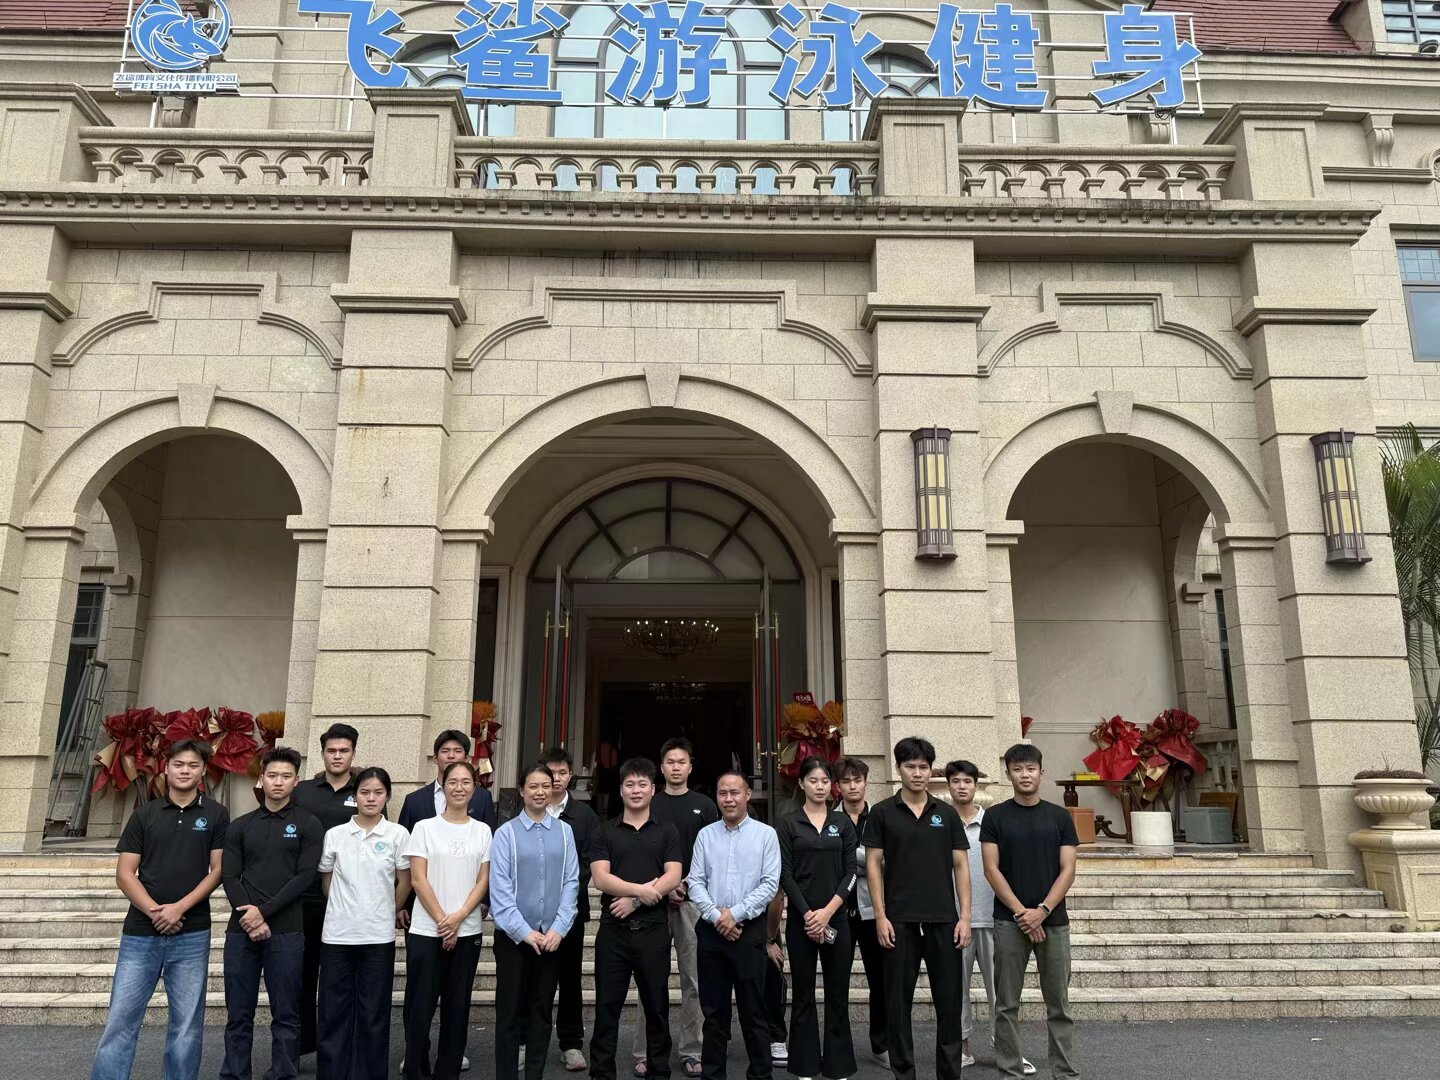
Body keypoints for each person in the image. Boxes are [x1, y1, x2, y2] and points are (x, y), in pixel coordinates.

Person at [89, 739, 229, 1080]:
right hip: (141, 933)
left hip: (192, 931)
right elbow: (125, 874)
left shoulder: (216, 814)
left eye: (193, 765)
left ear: (203, 771)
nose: (185, 771)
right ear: (166, 768)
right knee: (121, 1020)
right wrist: (155, 912)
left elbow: (218, 871)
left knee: (186, 1026)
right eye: (178, 764)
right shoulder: (144, 814)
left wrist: (179, 909)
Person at [863, 736, 971, 1080]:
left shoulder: (947, 813)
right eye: (910, 766)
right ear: (898, 769)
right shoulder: (882, 812)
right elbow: (873, 865)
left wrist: (965, 917)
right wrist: (880, 916)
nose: (918, 773)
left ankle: (949, 1074)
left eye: (924, 767)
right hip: (899, 922)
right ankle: (904, 1074)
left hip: (944, 921)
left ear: (931, 770)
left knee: (949, 1006)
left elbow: (961, 866)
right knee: (897, 1006)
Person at [220, 746, 323, 1080]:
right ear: (261, 779)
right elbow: (229, 876)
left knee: (287, 1012)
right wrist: (249, 917)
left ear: (296, 781)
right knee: (239, 1013)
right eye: (272, 775)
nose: (279, 782)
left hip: (287, 930)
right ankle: (235, 1074)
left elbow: (305, 877)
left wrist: (262, 913)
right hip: (241, 931)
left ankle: (283, 1073)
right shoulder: (240, 826)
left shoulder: (308, 824)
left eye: (286, 776)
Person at [397, 729, 497, 1076]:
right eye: (452, 781)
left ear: (474, 787)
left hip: (467, 930)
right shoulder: (424, 827)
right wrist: (443, 920)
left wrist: (459, 918)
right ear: (443, 782)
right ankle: (416, 1069)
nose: (458, 787)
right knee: (420, 1006)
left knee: (457, 1007)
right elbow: (418, 879)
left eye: (465, 782)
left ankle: (448, 1070)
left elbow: (483, 879)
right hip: (427, 929)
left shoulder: (482, 831)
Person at [982, 744, 1080, 1080]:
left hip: (1054, 922)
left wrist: (1042, 910)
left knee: (1059, 1004)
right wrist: (1022, 913)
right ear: (1008, 773)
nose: (1025, 775)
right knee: (1006, 1003)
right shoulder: (995, 817)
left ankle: (1065, 1073)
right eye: (1018, 769)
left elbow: (1068, 869)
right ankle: (1010, 1070)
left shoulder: (1060, 817)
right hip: (1009, 922)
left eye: (1031, 768)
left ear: (1041, 772)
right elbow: (991, 869)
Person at [587, 757, 683, 1080]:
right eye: (630, 784)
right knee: (606, 1009)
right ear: (621, 790)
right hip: (613, 931)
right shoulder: (605, 830)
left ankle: (659, 1072)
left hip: (654, 931)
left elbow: (673, 876)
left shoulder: (666, 831)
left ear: (653, 789)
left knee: (657, 1007)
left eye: (643, 784)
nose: (636, 790)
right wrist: (640, 891)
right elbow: (601, 878)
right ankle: (602, 1073)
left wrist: (636, 901)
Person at [316, 765, 411, 1080]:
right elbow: (327, 881)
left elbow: (405, 880)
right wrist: (344, 906)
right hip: (338, 936)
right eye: (365, 792)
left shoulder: (397, 835)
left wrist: (388, 909)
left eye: (378, 792)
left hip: (377, 937)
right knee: (333, 1012)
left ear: (387, 797)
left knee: (373, 1013)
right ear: (354, 796)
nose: (371, 798)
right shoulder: (336, 835)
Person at [634, 736, 720, 1079]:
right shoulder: (648, 802)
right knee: (648, 980)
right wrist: (661, 888)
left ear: (690, 766)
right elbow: (640, 849)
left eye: (681, 761)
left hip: (692, 901)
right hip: (651, 900)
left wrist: (686, 886)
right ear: (661, 767)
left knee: (694, 980)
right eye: (670, 762)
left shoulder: (705, 805)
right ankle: (645, 1051)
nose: (675, 767)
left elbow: (711, 853)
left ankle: (691, 1050)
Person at [688, 771, 781, 1080]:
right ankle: (713, 1075)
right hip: (711, 931)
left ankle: (761, 1075)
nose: (729, 799)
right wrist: (718, 917)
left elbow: (769, 885)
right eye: (723, 793)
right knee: (714, 1015)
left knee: (754, 1012)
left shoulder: (766, 835)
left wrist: (736, 914)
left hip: (749, 932)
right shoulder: (705, 835)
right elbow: (695, 882)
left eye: (735, 793)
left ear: (747, 795)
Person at [945, 761, 1036, 1076]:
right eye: (956, 781)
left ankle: (1007, 1049)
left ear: (976, 785)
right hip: (955, 920)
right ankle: (962, 1049)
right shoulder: (942, 822)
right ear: (949, 785)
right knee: (956, 989)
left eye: (967, 781)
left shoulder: (994, 822)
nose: (962, 787)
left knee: (1001, 991)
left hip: (994, 916)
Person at [491, 762, 581, 1080]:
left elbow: (571, 882)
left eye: (545, 785)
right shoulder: (506, 834)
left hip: (550, 938)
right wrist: (524, 932)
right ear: (522, 790)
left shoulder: (565, 832)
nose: (540, 792)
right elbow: (500, 890)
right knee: (509, 1013)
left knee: (542, 1012)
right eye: (533, 786)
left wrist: (559, 928)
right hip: (514, 939)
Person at [777, 757, 857, 1080]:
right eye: (813, 780)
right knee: (804, 994)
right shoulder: (788, 824)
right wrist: (809, 914)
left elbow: (851, 872)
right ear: (801, 784)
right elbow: (785, 874)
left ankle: (838, 1065)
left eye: (825, 781)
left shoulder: (843, 823)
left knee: (838, 994)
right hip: (802, 922)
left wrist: (827, 912)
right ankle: (805, 1064)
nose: (820, 786)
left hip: (836, 920)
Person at [292, 722, 364, 1064]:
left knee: (340, 978)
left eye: (344, 750)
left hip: (348, 899)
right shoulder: (303, 791)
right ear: (322, 754)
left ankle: (338, 1050)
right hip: (305, 896)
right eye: (331, 751)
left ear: (353, 753)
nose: (337, 756)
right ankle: (298, 1047)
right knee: (301, 974)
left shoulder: (364, 789)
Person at [545, 745, 602, 1073]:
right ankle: (529, 1038)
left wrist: (562, 892)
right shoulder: (529, 810)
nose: (556, 779)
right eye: (550, 772)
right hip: (532, 914)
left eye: (562, 773)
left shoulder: (584, 816)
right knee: (534, 979)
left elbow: (589, 862)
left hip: (571, 911)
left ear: (571, 776)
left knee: (570, 979)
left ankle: (571, 1043)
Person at [835, 756, 886, 1068]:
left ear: (866, 783)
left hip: (873, 911)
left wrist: (850, 860)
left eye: (858, 780)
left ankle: (881, 1045)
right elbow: (830, 863)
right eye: (846, 781)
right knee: (837, 983)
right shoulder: (829, 819)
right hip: (839, 911)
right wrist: (870, 861)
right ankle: (839, 1047)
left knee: (880, 982)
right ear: (838, 787)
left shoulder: (880, 817)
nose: (853, 786)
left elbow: (889, 859)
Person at [762, 894, 789, 1071]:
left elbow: (777, 897)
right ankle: (721, 1035)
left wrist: (769, 939)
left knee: (772, 970)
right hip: (727, 914)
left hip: (763, 923)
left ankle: (776, 1037)